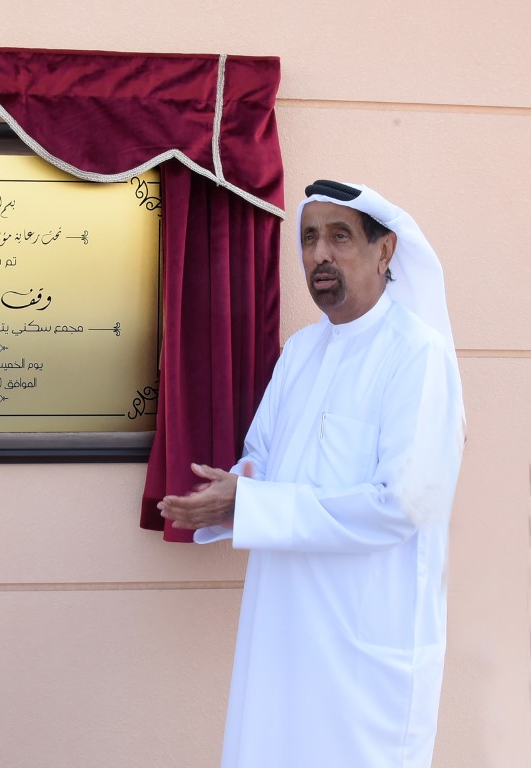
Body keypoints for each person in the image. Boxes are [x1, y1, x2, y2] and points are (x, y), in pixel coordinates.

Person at [158, 179, 465, 768]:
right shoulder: (301, 351)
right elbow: (263, 459)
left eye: (339, 237)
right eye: (308, 239)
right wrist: (230, 490)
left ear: (384, 250)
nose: (319, 254)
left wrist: (250, 504)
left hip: (361, 655)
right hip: (282, 633)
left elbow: (401, 505)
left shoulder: (418, 355)